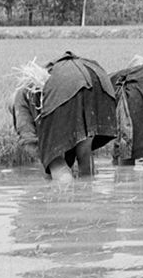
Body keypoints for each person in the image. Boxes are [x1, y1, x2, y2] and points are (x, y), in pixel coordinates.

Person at [10, 51, 117, 182]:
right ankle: (89, 194)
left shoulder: (20, 99)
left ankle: (64, 198)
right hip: (97, 80)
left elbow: (30, 142)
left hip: (68, 88)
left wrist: (52, 161)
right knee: (84, 151)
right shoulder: (33, 90)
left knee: (55, 161)